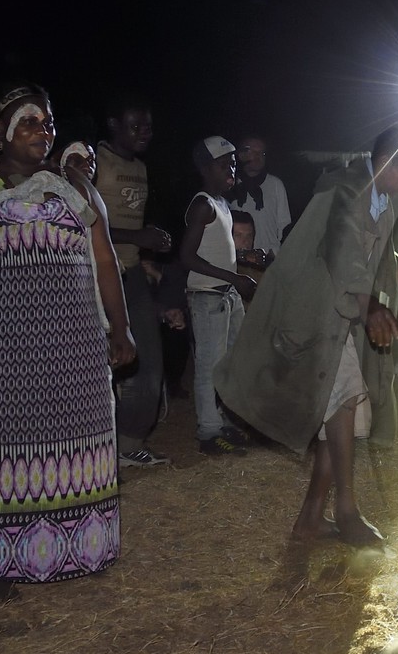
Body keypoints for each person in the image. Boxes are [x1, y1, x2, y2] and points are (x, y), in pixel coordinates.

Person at [0, 86, 135, 600]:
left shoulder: (77, 189)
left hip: (72, 351)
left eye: (47, 123)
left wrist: (121, 325)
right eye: (27, 122)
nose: (41, 132)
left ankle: (78, 547)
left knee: (74, 442)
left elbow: (105, 259)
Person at [213, 127, 398, 545]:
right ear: (385, 163)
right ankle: (347, 513)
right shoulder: (347, 189)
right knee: (345, 404)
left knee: (340, 418)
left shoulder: (379, 200)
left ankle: (311, 520)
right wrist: (370, 305)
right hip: (314, 316)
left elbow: (372, 248)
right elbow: (343, 250)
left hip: (338, 320)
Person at [96, 95, 174, 468]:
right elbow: (80, 225)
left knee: (147, 364)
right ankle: (95, 451)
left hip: (131, 275)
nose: (144, 132)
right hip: (94, 277)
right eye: (135, 125)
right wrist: (136, 236)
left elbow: (128, 227)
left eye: (148, 126)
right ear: (113, 124)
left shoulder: (141, 168)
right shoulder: (93, 163)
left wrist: (145, 254)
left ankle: (127, 445)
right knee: (97, 368)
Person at [179, 137, 257, 455]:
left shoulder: (222, 203)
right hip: (208, 296)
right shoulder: (203, 205)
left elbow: (222, 254)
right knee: (209, 366)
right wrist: (234, 278)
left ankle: (221, 421)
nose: (232, 169)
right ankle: (209, 433)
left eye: (233, 163)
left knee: (229, 363)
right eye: (224, 164)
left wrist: (249, 261)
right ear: (205, 168)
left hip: (226, 294)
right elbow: (186, 257)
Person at [230, 135, 293, 254]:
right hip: (237, 256)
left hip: (269, 255)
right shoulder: (231, 185)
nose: (258, 156)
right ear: (241, 155)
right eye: (253, 152)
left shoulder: (275, 184)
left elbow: (284, 223)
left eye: (262, 153)